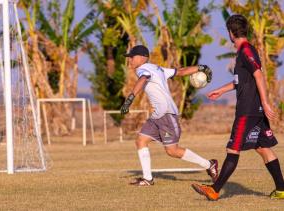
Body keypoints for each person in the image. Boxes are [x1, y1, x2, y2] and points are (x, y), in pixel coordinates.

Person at [191, 14, 284, 200]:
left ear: (231, 33)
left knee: (233, 149)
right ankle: (281, 190)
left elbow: (258, 75)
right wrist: (221, 90)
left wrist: (265, 103)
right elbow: (240, 81)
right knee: (263, 148)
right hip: (254, 110)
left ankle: (215, 190)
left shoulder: (246, 50)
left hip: (248, 110)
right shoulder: (244, 51)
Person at [120, 44, 218, 186]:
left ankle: (209, 165)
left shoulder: (143, 69)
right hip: (157, 115)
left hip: (166, 114)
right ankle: (147, 179)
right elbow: (180, 72)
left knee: (172, 151)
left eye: (131, 57)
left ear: (142, 58)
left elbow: (142, 80)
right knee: (141, 140)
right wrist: (201, 68)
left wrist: (129, 99)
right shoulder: (158, 68)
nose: (130, 60)